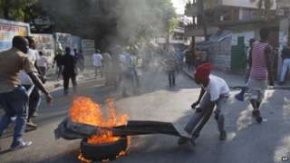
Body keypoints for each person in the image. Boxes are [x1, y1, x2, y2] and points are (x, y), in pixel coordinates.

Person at [0, 36, 52, 151]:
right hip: (13, 89)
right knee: (22, 115)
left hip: (1, 92)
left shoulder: (2, 54)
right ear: (20, 45)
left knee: (8, 114)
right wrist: (46, 92)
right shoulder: (22, 56)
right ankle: (17, 142)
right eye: (26, 45)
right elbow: (33, 77)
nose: (27, 47)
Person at [178, 63, 229, 145]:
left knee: (220, 116)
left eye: (198, 81)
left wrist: (197, 131)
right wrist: (198, 101)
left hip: (222, 95)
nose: (197, 82)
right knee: (199, 111)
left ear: (204, 79)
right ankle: (185, 133)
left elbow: (208, 114)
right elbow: (203, 88)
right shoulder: (202, 80)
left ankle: (222, 131)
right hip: (211, 93)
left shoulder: (213, 86)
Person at [235, 28, 274, 123]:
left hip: (253, 73)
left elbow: (250, 60)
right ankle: (256, 110)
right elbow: (268, 63)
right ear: (268, 35)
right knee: (260, 95)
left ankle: (255, 109)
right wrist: (271, 78)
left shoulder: (254, 45)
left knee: (252, 94)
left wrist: (252, 69)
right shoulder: (267, 47)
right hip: (263, 75)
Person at [19, 36, 42, 128]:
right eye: (34, 42)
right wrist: (41, 76)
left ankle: (25, 117)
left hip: (19, 79)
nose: (35, 43)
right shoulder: (33, 52)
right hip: (30, 79)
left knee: (25, 100)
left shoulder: (17, 52)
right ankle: (28, 119)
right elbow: (35, 66)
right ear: (30, 43)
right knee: (36, 97)